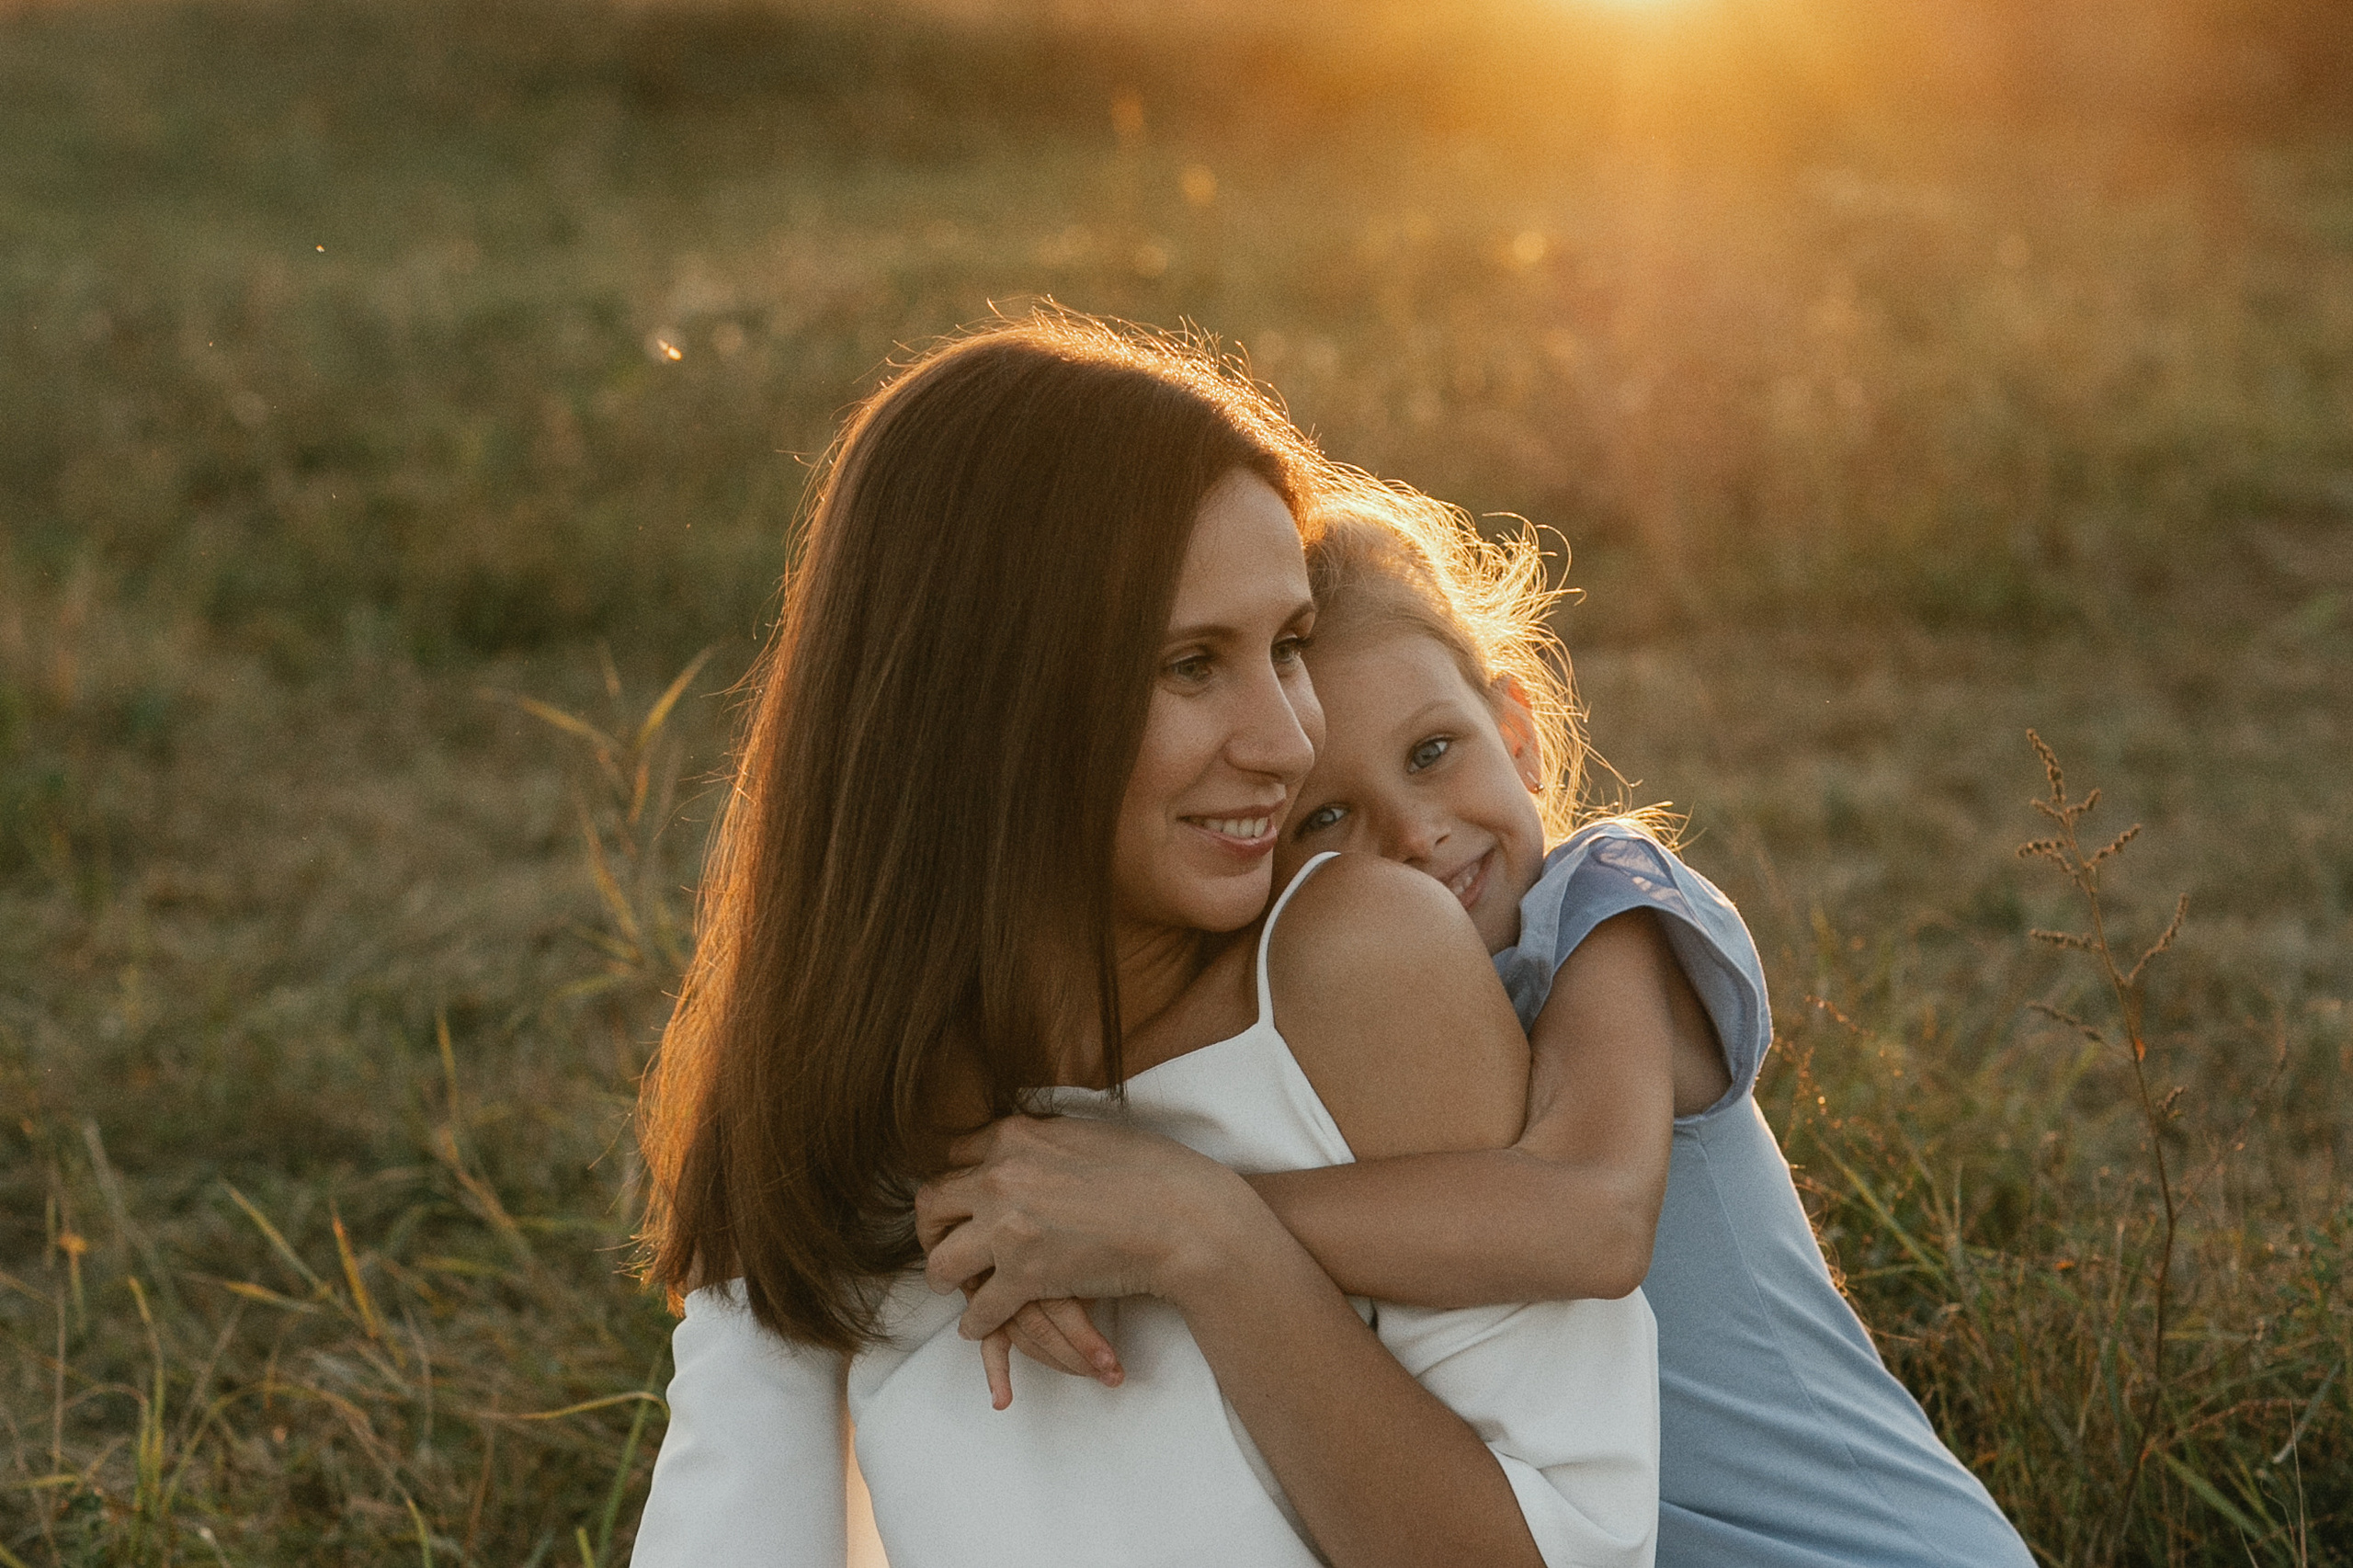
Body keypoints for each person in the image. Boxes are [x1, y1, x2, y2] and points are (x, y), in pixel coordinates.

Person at [629, 312, 1659, 1568]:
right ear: (989, 698)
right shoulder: (838, 1060)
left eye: (1285, 647)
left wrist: (1209, 1240)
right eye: (1190, 665)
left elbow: (1570, 1552)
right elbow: (733, 1528)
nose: (1286, 738)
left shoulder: (1356, 966)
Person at [946, 489, 2036, 1566]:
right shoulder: (1337, 1023)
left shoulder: (1609, 913)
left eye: (1431, 752)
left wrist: (1187, 1219)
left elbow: (1592, 1222)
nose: (1415, 835)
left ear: (1515, 732)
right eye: (1328, 817)